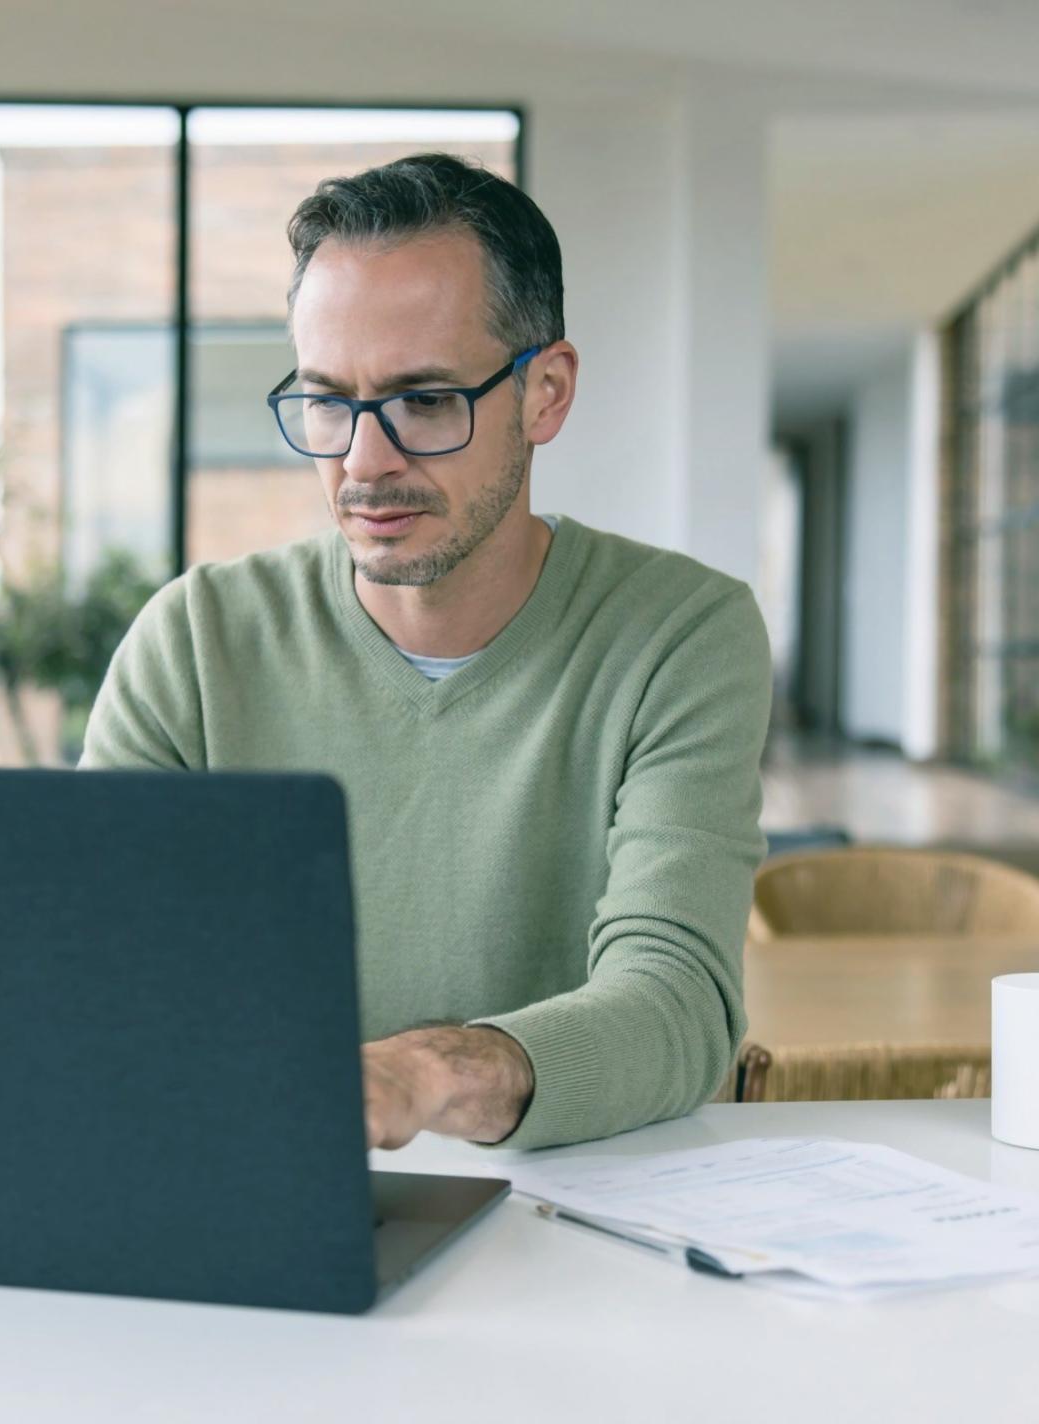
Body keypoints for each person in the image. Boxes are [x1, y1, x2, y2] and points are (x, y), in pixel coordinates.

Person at [80, 153, 770, 1151]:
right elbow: (97, 967)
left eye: (426, 401)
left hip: (579, 1220)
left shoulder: (679, 634)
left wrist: (430, 1073)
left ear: (545, 393)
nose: (364, 461)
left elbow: (677, 1003)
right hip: (255, 1183)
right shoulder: (195, 640)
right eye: (326, 401)